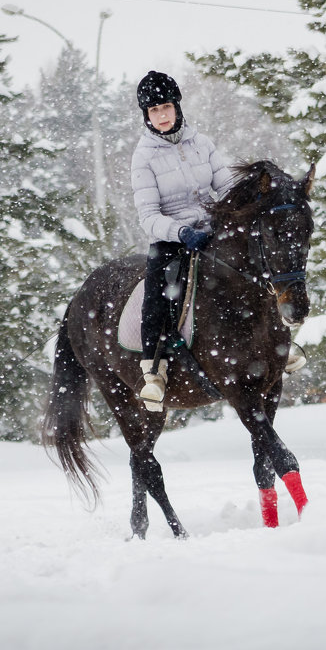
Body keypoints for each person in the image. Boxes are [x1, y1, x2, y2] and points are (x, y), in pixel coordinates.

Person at [131, 71, 233, 411]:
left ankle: (280, 340)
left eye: (165, 107)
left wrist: (233, 215)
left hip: (213, 229)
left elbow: (227, 185)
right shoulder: (143, 156)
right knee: (156, 295)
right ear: (146, 116)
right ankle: (154, 372)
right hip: (173, 236)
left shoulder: (202, 143)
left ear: (177, 107)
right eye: (153, 110)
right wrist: (181, 232)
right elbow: (148, 215)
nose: (161, 116)